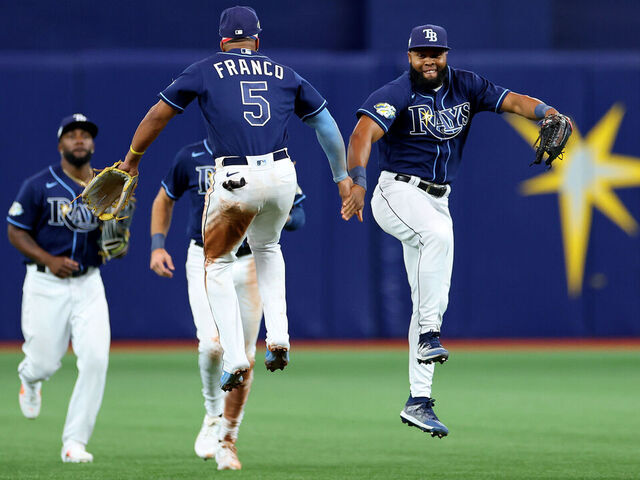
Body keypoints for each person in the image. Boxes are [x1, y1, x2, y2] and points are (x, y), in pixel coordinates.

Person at [341, 24, 571, 438]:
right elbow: (362, 133)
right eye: (422, 53)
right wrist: (357, 179)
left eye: (437, 52)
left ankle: (419, 400)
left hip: (437, 200)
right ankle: (430, 334)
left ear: (447, 54)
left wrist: (548, 113)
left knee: (429, 292)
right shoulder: (397, 93)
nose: (430, 59)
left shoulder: (467, 85)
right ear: (409, 57)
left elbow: (516, 101)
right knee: (439, 240)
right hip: (396, 192)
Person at [116, 5, 351, 391]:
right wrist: (342, 178)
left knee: (217, 263)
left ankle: (235, 355)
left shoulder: (206, 69)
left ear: (223, 40)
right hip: (282, 174)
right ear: (257, 40)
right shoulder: (284, 72)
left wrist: (132, 160)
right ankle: (278, 337)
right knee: (269, 248)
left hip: (236, 175)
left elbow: (159, 114)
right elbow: (324, 122)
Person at [149, 138, 306, 470]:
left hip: (249, 261)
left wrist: (266, 213)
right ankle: (212, 413)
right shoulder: (189, 155)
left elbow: (299, 213)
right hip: (205, 258)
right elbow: (164, 199)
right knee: (211, 347)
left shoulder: (263, 158)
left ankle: (227, 442)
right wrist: (157, 245)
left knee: (244, 358)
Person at [7, 114, 115, 462]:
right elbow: (16, 231)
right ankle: (30, 377)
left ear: (93, 144)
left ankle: (74, 443)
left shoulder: (106, 186)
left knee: (96, 360)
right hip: (44, 282)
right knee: (43, 363)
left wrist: (116, 237)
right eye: (72, 135)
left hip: (89, 284)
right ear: (60, 145)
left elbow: (115, 237)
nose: (79, 139)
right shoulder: (38, 185)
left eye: (85, 135)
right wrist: (48, 258)